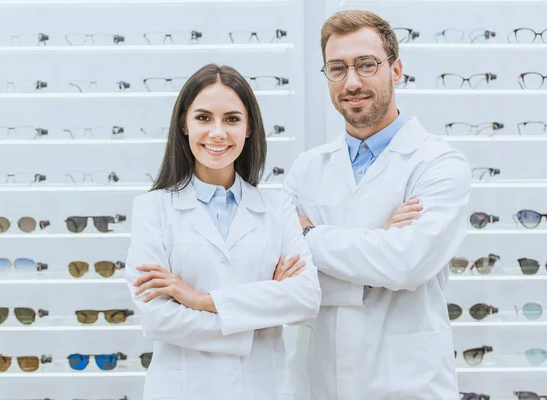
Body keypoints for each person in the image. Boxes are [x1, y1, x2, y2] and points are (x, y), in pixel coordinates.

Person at [284, 10, 471, 400]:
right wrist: (377, 249)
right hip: (318, 382)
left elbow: (407, 264)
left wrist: (307, 236)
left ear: (396, 69)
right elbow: (280, 276)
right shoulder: (306, 168)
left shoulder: (438, 163)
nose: (351, 82)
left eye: (366, 65)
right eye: (337, 69)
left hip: (407, 384)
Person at [125, 64, 321, 400]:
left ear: (248, 129)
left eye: (231, 119)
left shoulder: (278, 207)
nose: (218, 132)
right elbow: (157, 318)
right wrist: (261, 308)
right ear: (184, 125)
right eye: (203, 118)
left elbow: (305, 300)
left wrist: (201, 300)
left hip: (264, 388)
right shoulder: (153, 209)